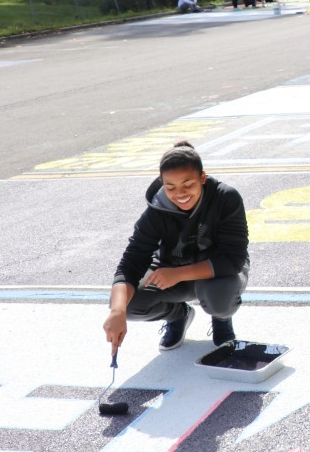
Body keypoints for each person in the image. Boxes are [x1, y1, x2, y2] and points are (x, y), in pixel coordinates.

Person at [103, 141, 250, 354]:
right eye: (170, 187)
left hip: (215, 273)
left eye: (188, 184)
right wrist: (117, 311)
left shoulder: (226, 198)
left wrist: (179, 274)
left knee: (220, 298)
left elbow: (233, 259)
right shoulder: (156, 210)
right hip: (169, 271)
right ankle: (179, 315)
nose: (180, 193)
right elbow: (131, 263)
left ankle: (221, 318)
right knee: (128, 304)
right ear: (162, 183)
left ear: (202, 178)